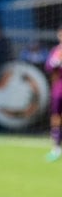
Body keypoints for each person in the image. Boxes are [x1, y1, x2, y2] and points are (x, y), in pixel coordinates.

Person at [45, 27, 62, 162]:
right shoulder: (56, 51)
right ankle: (56, 147)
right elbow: (48, 67)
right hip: (58, 89)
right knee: (56, 116)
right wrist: (55, 63)